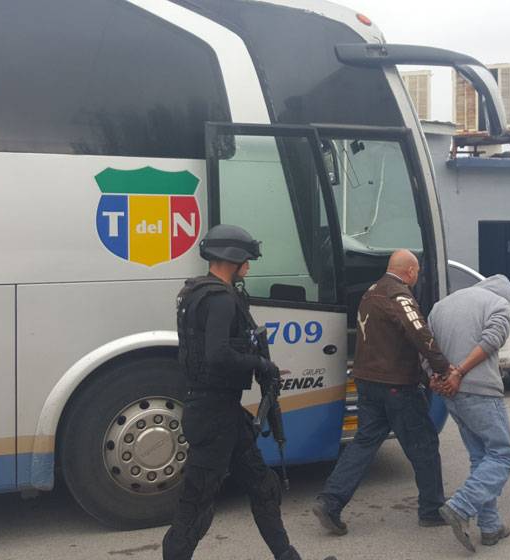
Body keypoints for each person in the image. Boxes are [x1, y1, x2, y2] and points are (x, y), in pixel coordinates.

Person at [163, 225, 301, 560]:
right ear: (233, 259)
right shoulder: (222, 299)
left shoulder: (195, 292)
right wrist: (260, 364)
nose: (249, 267)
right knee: (195, 507)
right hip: (213, 417)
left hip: (223, 412)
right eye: (246, 261)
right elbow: (218, 354)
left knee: (263, 486)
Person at [313, 250, 455, 534]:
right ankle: (431, 509)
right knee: (424, 445)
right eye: (417, 272)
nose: (417, 277)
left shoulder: (371, 292)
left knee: (364, 443)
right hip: (397, 385)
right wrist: (443, 368)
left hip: (367, 381)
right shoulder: (399, 295)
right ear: (410, 271)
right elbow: (420, 333)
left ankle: (330, 501)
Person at [428, 275, 510, 552]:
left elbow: (426, 346)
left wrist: (435, 377)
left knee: (481, 457)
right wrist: (460, 372)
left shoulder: (441, 306)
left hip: (450, 393)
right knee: (502, 456)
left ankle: (490, 526)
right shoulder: (499, 304)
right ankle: (460, 506)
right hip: (480, 389)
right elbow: (492, 340)